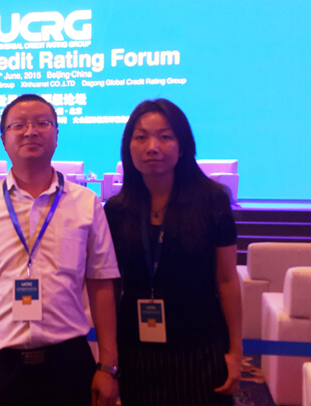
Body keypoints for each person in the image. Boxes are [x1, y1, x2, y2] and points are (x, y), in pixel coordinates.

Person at [0, 94, 120, 406]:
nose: (31, 131)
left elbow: (101, 285)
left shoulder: (86, 204)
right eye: (19, 125)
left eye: (42, 123)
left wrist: (108, 366)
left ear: (57, 135)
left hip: (67, 364)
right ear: (3, 139)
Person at [104, 99, 242, 406]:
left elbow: (226, 280)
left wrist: (235, 350)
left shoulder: (212, 201)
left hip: (201, 346)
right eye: (141, 137)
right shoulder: (116, 210)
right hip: (137, 349)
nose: (152, 147)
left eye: (165, 136)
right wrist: (108, 358)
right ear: (128, 148)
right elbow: (112, 287)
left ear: (182, 147)